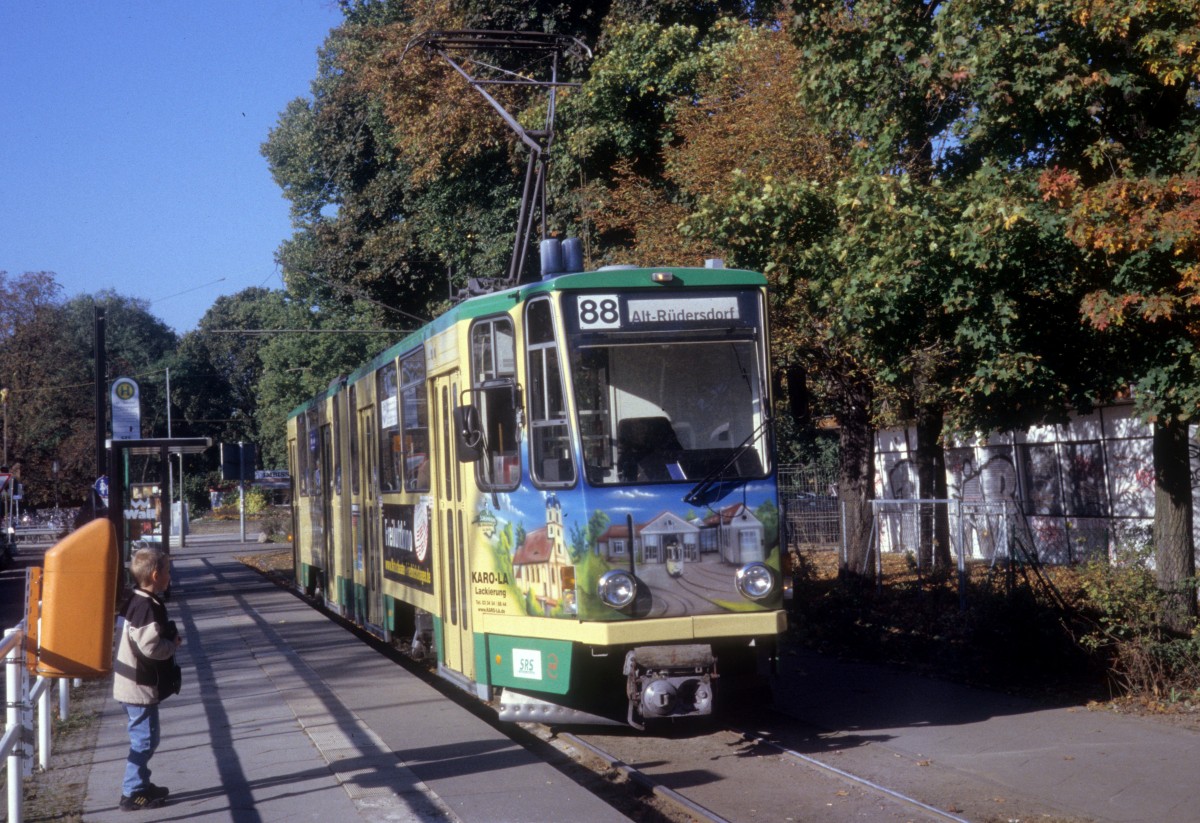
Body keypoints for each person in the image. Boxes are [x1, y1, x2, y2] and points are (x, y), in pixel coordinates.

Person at [113, 547, 183, 811]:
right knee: (145, 740)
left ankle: (141, 783)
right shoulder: (148, 608)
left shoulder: (135, 599)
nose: (169, 576)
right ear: (156, 575)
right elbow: (150, 648)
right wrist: (171, 645)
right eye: (167, 571)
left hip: (129, 682)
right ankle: (132, 792)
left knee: (145, 737)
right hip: (138, 685)